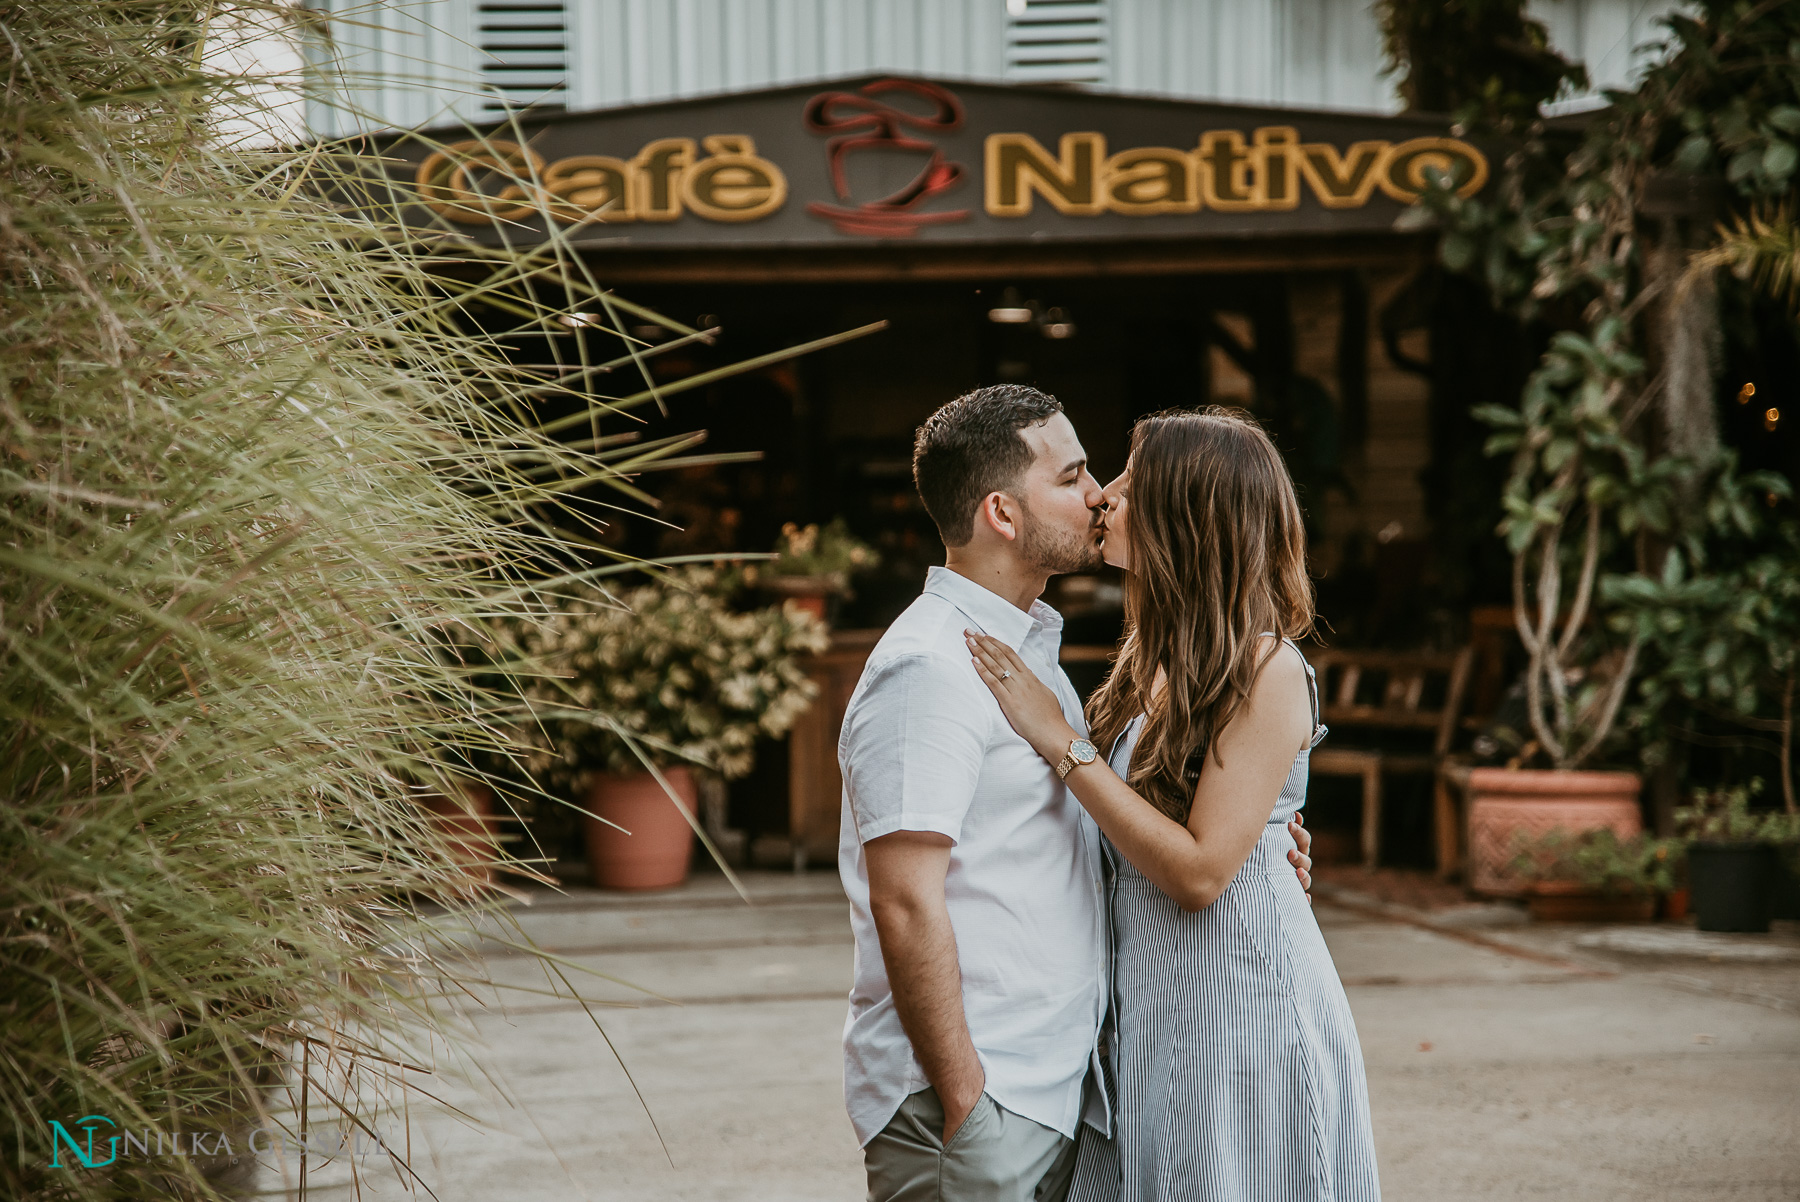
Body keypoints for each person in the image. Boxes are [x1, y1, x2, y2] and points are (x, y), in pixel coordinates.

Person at [838, 387, 1314, 1202]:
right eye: (1074, 475)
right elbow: (905, 904)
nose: (1098, 494)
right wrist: (966, 1101)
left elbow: (1081, 832)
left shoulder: (1034, 663)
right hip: (985, 1097)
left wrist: (1262, 842)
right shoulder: (931, 667)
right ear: (1002, 512)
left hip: (1065, 1084)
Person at [964, 407, 1380, 1202]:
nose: (1104, 496)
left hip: (1239, 1013)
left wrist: (1063, 743)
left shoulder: (1267, 669)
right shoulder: (1148, 663)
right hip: (1152, 1007)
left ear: (1187, 515)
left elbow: (1197, 874)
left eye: (1130, 480)